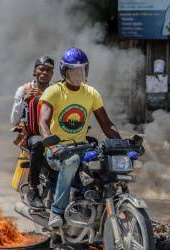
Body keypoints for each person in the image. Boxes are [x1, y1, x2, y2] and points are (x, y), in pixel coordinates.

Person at [39, 48, 121, 227]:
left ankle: (104, 205)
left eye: (81, 70)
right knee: (72, 161)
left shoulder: (91, 93)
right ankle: (57, 211)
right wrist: (52, 146)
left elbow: (107, 125)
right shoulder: (53, 92)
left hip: (83, 147)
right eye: (73, 70)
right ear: (64, 71)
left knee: (105, 163)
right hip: (59, 150)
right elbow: (43, 123)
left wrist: (120, 144)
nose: (78, 74)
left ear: (86, 70)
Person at [10, 56, 54, 209]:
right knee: (39, 143)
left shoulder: (56, 90)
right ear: (35, 71)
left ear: (52, 73)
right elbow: (14, 120)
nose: (44, 72)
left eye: (48, 70)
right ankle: (33, 189)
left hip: (54, 134)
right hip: (32, 135)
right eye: (41, 68)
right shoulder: (24, 89)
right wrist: (24, 101)